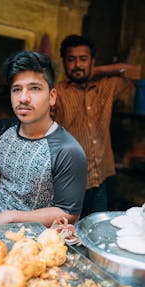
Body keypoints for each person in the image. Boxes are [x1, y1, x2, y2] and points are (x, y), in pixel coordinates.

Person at [0, 51, 87, 228]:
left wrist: (11, 217)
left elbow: (68, 213)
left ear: (52, 97)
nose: (23, 98)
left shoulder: (68, 150)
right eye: (17, 89)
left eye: (35, 88)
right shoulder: (3, 129)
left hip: (26, 236)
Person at [54, 34, 141, 218]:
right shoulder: (56, 93)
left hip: (100, 178)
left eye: (83, 59)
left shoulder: (106, 87)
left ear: (92, 61)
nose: (77, 65)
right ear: (64, 62)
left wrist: (99, 70)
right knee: (68, 235)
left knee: (95, 230)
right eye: (71, 59)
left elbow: (136, 72)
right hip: (69, 182)